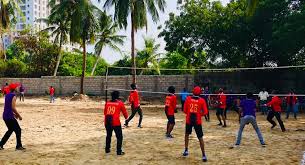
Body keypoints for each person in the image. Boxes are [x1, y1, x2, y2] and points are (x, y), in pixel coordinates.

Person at [182, 86, 209, 162]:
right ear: (200, 93)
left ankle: (186, 150)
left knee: (187, 134)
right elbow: (205, 112)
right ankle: (203, 155)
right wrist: (199, 114)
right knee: (200, 138)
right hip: (197, 121)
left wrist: (189, 113)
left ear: (193, 92)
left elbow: (184, 111)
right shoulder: (202, 100)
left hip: (189, 120)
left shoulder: (188, 99)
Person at [0, 83, 25, 150]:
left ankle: (0, 144)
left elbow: (7, 107)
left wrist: (14, 114)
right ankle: (18, 146)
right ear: (14, 89)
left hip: (5, 115)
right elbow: (13, 108)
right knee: (18, 130)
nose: (18, 88)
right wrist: (19, 116)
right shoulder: (13, 96)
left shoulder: (7, 95)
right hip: (9, 116)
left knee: (10, 130)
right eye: (17, 87)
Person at [104, 91, 128, 155]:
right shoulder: (120, 103)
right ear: (118, 96)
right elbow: (124, 112)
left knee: (108, 135)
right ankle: (119, 151)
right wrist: (126, 118)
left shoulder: (107, 103)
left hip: (107, 121)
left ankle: (107, 149)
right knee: (119, 137)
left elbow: (105, 113)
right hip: (115, 122)